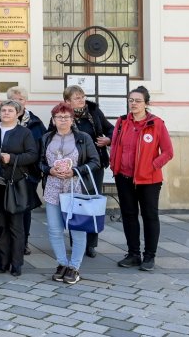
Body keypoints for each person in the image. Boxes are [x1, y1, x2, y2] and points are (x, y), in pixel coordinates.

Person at [110, 86, 174, 271]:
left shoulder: (156, 124)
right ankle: (133, 254)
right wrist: (115, 165)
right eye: (131, 100)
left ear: (146, 103)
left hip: (149, 180)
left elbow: (168, 152)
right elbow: (115, 145)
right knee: (129, 215)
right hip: (124, 177)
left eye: (138, 101)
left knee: (150, 216)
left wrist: (151, 166)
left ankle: (149, 256)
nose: (134, 104)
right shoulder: (122, 122)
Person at [39, 102, 100, 285]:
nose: (63, 120)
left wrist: (75, 171)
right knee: (55, 229)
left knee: (78, 229)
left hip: (76, 188)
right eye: (59, 117)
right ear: (53, 119)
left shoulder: (83, 138)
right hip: (53, 187)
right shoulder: (47, 138)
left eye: (66, 117)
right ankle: (62, 264)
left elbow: (95, 161)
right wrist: (49, 170)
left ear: (72, 119)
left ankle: (74, 267)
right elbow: (39, 162)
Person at [61, 85, 114, 258]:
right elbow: (52, 135)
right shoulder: (62, 115)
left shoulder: (94, 113)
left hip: (93, 166)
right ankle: (76, 242)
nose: (81, 100)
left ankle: (91, 244)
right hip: (72, 167)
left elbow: (111, 129)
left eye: (82, 96)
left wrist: (108, 140)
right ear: (67, 101)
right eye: (77, 98)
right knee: (74, 204)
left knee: (91, 203)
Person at [0, 99, 38, 277]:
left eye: (10, 110)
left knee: (16, 225)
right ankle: (3, 262)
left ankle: (16, 263)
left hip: (16, 183)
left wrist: (11, 158)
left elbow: (32, 155)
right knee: (0, 224)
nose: (6, 113)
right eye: (4, 110)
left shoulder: (24, 133)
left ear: (18, 113)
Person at [6, 86, 46, 256]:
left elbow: (43, 146)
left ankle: (23, 242)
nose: (18, 103)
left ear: (25, 101)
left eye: (21, 99)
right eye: (14, 99)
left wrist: (37, 172)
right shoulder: (1, 119)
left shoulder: (35, 122)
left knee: (25, 210)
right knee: (6, 208)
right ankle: (8, 241)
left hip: (28, 174)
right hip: (7, 173)